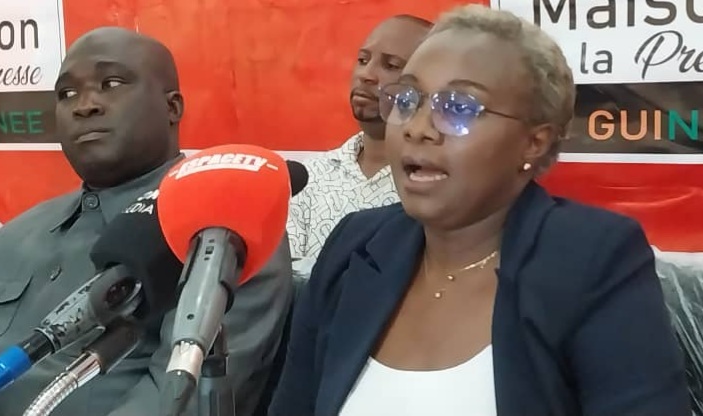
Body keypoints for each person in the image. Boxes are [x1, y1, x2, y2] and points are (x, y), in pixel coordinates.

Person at [269, 5, 690, 416]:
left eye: (458, 108)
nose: (417, 127)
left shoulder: (593, 259)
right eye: (408, 99)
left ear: (534, 143)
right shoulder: (355, 246)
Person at [0, 27, 293, 416]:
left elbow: (178, 400)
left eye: (111, 83)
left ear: (173, 108)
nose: (84, 105)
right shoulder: (17, 232)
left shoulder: (222, 231)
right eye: (67, 93)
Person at [287, 15, 432, 278]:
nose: (366, 75)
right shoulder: (308, 177)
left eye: (391, 65)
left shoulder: (431, 184)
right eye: (363, 60)